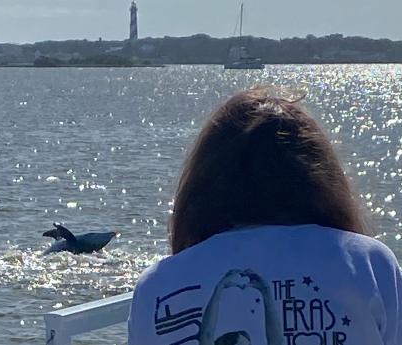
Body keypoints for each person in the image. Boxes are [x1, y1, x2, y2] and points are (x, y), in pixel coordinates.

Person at [128, 88, 402, 345]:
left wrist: (234, 287)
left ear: (205, 183)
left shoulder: (158, 285)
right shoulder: (369, 264)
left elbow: (234, 330)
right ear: (317, 177)